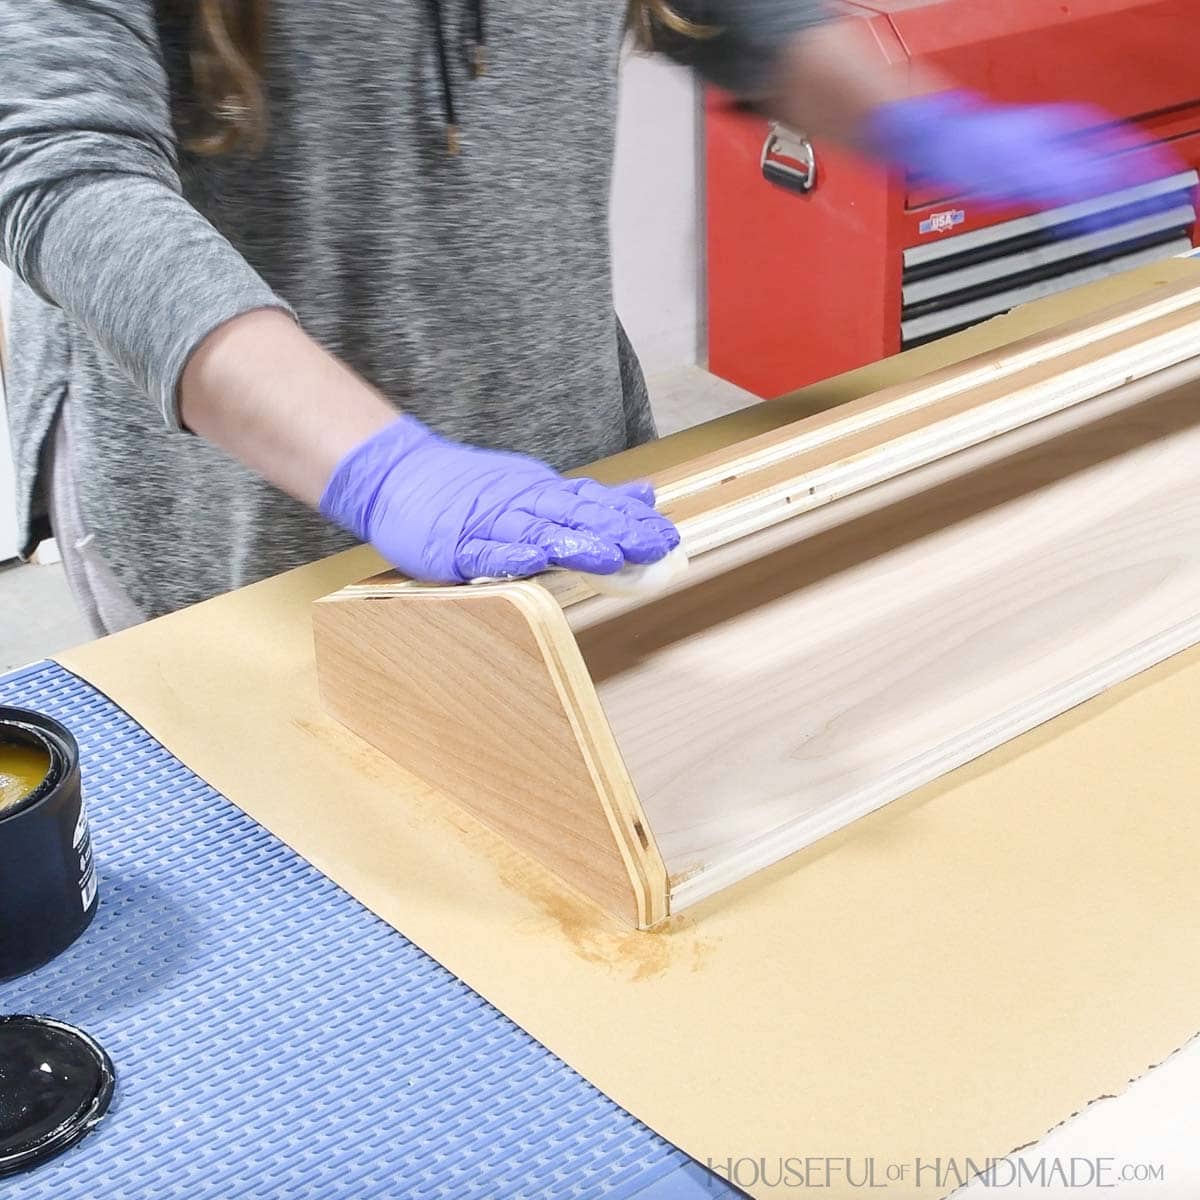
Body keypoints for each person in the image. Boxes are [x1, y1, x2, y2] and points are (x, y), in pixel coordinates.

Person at [0, 1, 1176, 634]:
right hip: (247, 525)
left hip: (559, 450)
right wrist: (385, 473)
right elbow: (62, 173)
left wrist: (926, 127)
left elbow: (737, 17)